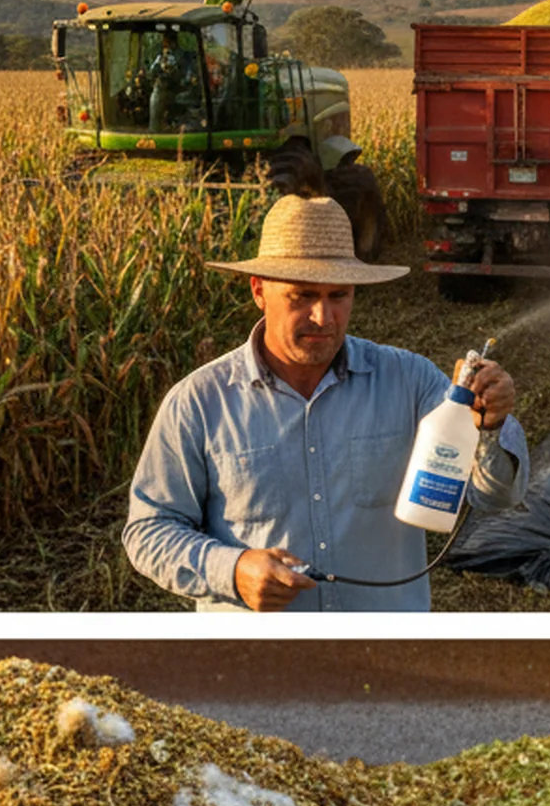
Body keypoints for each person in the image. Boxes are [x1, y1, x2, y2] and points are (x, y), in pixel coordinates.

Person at [123, 195, 529, 612]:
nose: (324, 316)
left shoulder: (411, 381)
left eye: (339, 295)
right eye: (302, 296)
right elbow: (150, 529)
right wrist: (233, 569)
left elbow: (495, 498)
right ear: (259, 290)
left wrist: (491, 427)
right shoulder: (199, 404)